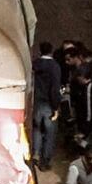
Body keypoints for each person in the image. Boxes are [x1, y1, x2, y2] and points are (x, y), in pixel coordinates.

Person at [32, 41, 63, 170]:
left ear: (40, 51)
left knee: (37, 130)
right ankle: (45, 161)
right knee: (50, 133)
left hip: (36, 102)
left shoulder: (35, 64)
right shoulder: (54, 66)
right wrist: (56, 107)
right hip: (49, 104)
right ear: (51, 51)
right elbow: (54, 88)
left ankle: (35, 154)